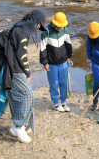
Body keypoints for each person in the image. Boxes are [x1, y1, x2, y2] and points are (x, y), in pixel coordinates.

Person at [8, 9, 47, 143]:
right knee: (27, 95)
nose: (38, 28)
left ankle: (18, 126)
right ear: (36, 21)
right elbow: (21, 55)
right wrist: (27, 72)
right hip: (15, 69)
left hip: (11, 68)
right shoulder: (22, 32)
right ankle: (19, 126)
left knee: (17, 95)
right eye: (39, 25)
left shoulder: (19, 26)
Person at [40, 12, 73, 112]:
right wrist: (45, 62)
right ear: (53, 23)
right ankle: (55, 103)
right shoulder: (45, 33)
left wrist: (68, 57)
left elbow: (68, 45)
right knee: (54, 83)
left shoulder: (65, 31)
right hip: (51, 63)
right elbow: (42, 49)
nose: (60, 27)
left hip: (63, 61)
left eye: (62, 25)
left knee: (63, 82)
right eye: (59, 25)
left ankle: (63, 101)